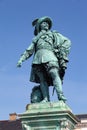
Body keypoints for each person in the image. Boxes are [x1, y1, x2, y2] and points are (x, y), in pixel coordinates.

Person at [17, 16, 71, 102]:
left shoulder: (54, 34)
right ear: (39, 26)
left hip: (50, 55)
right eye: (44, 23)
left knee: (54, 73)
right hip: (37, 58)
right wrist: (21, 59)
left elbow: (67, 41)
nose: (46, 24)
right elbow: (29, 50)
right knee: (42, 80)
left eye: (47, 23)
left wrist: (62, 52)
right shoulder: (36, 39)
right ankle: (46, 98)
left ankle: (60, 95)